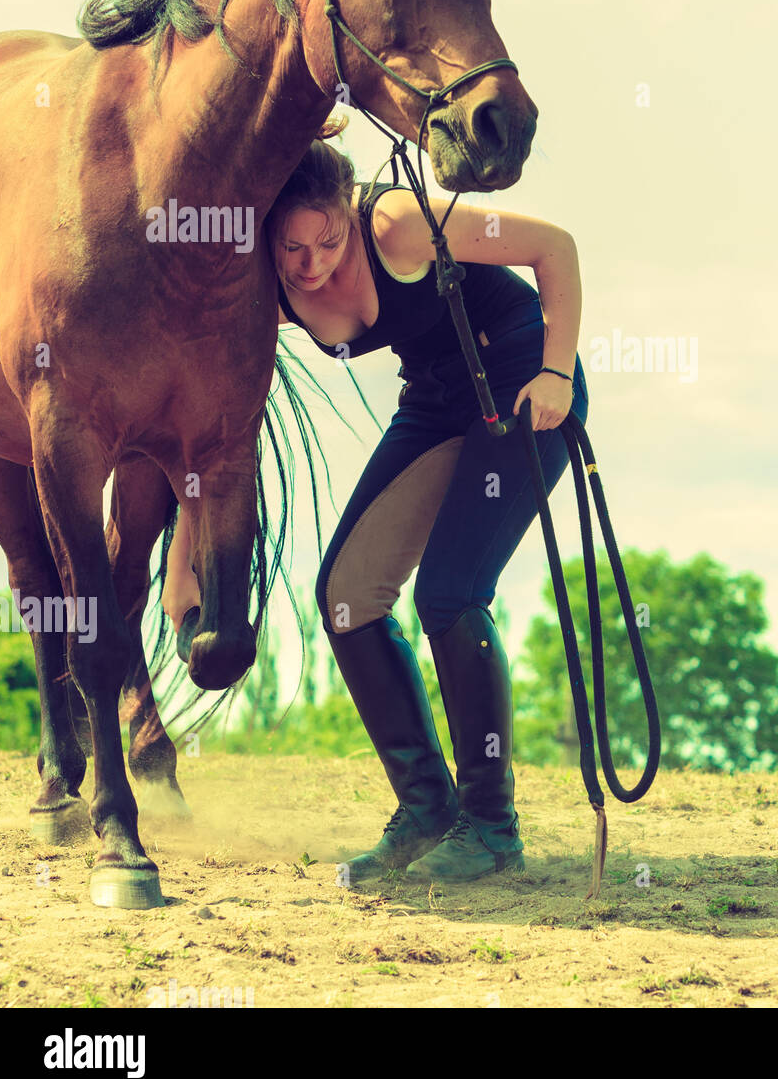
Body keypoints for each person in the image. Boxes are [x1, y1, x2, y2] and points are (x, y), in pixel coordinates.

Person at [160, 134, 589, 885]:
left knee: (450, 594)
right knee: (348, 598)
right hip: (435, 403)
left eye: (328, 239)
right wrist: (182, 559)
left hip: (522, 385)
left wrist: (556, 372)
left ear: (349, 215)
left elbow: (555, 247)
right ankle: (427, 810)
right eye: (292, 248)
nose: (313, 263)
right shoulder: (271, 294)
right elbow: (227, 425)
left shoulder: (399, 225)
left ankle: (491, 827)